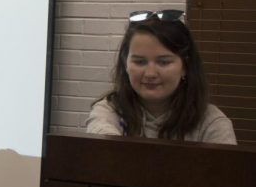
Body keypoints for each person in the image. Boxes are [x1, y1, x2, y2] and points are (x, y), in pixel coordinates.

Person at [86, 10, 237, 144]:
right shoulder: (109, 110)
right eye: (140, 62)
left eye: (163, 62)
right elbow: (106, 153)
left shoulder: (212, 123)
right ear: (126, 64)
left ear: (185, 66)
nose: (150, 74)